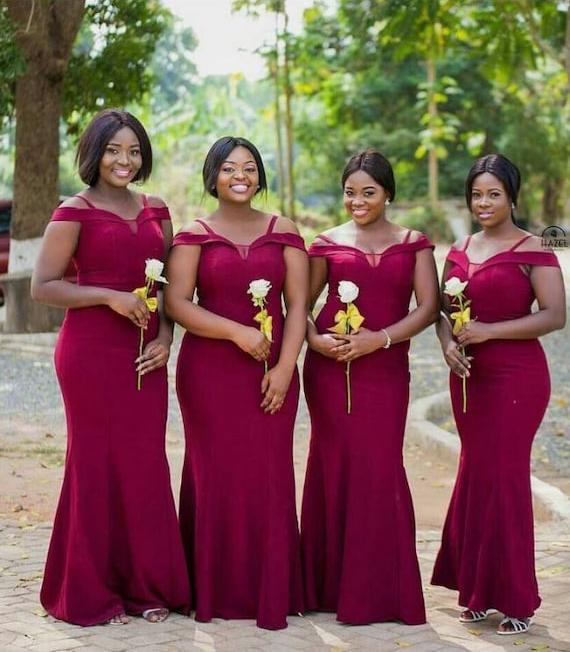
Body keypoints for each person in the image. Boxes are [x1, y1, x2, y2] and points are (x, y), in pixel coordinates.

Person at [31, 108, 190, 626]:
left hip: (146, 353)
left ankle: (146, 587)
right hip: (90, 353)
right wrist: (109, 298)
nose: (125, 160)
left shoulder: (157, 209)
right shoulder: (73, 211)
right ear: (94, 154)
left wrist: (167, 335)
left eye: (134, 151)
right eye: (114, 150)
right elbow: (44, 286)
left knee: (143, 463)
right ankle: (91, 593)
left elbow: (166, 288)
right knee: (95, 463)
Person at [164, 136, 308, 630]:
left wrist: (286, 369)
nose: (240, 175)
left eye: (249, 167)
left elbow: (298, 308)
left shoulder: (283, 230)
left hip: (272, 373)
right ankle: (212, 590)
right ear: (213, 176)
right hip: (208, 375)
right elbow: (177, 304)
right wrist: (236, 332)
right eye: (228, 168)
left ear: (260, 175)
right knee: (214, 474)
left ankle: (272, 591)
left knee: (267, 474)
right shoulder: (193, 234)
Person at [300, 148, 439, 625]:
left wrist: (378, 340)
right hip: (329, 372)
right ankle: (325, 588)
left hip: (384, 372)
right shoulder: (324, 242)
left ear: (388, 193)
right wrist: (315, 342)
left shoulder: (413, 243)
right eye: (350, 193)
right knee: (332, 465)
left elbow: (427, 307)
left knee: (379, 468)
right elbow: (301, 302)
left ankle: (381, 593)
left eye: (369, 192)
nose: (357, 201)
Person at [431, 153, 566, 635]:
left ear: (512, 196)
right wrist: (448, 346)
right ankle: (475, 590)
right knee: (475, 473)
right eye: (476, 194)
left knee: (504, 476)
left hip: (516, 379)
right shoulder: (459, 248)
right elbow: (443, 314)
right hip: (468, 378)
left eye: (494, 194)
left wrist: (491, 331)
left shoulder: (536, 247)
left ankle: (516, 600)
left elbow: (554, 315)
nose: (483, 202)